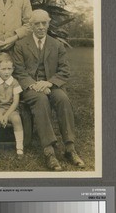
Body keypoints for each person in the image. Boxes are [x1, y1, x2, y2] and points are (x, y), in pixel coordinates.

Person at [12, 9, 85, 171]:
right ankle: (49, 151)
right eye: (36, 24)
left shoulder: (56, 44)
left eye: (43, 23)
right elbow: (18, 70)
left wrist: (49, 83)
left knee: (63, 99)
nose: (40, 27)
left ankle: (69, 147)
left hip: (51, 84)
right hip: (31, 88)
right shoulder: (21, 45)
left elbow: (64, 70)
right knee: (41, 99)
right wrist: (33, 84)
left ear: (48, 23)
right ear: (30, 26)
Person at [0, 53, 24, 159]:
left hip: (10, 109)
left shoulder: (15, 83)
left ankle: (19, 146)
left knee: (16, 119)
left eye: (9, 69)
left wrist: (6, 115)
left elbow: (16, 101)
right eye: (3, 69)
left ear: (13, 69)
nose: (7, 72)